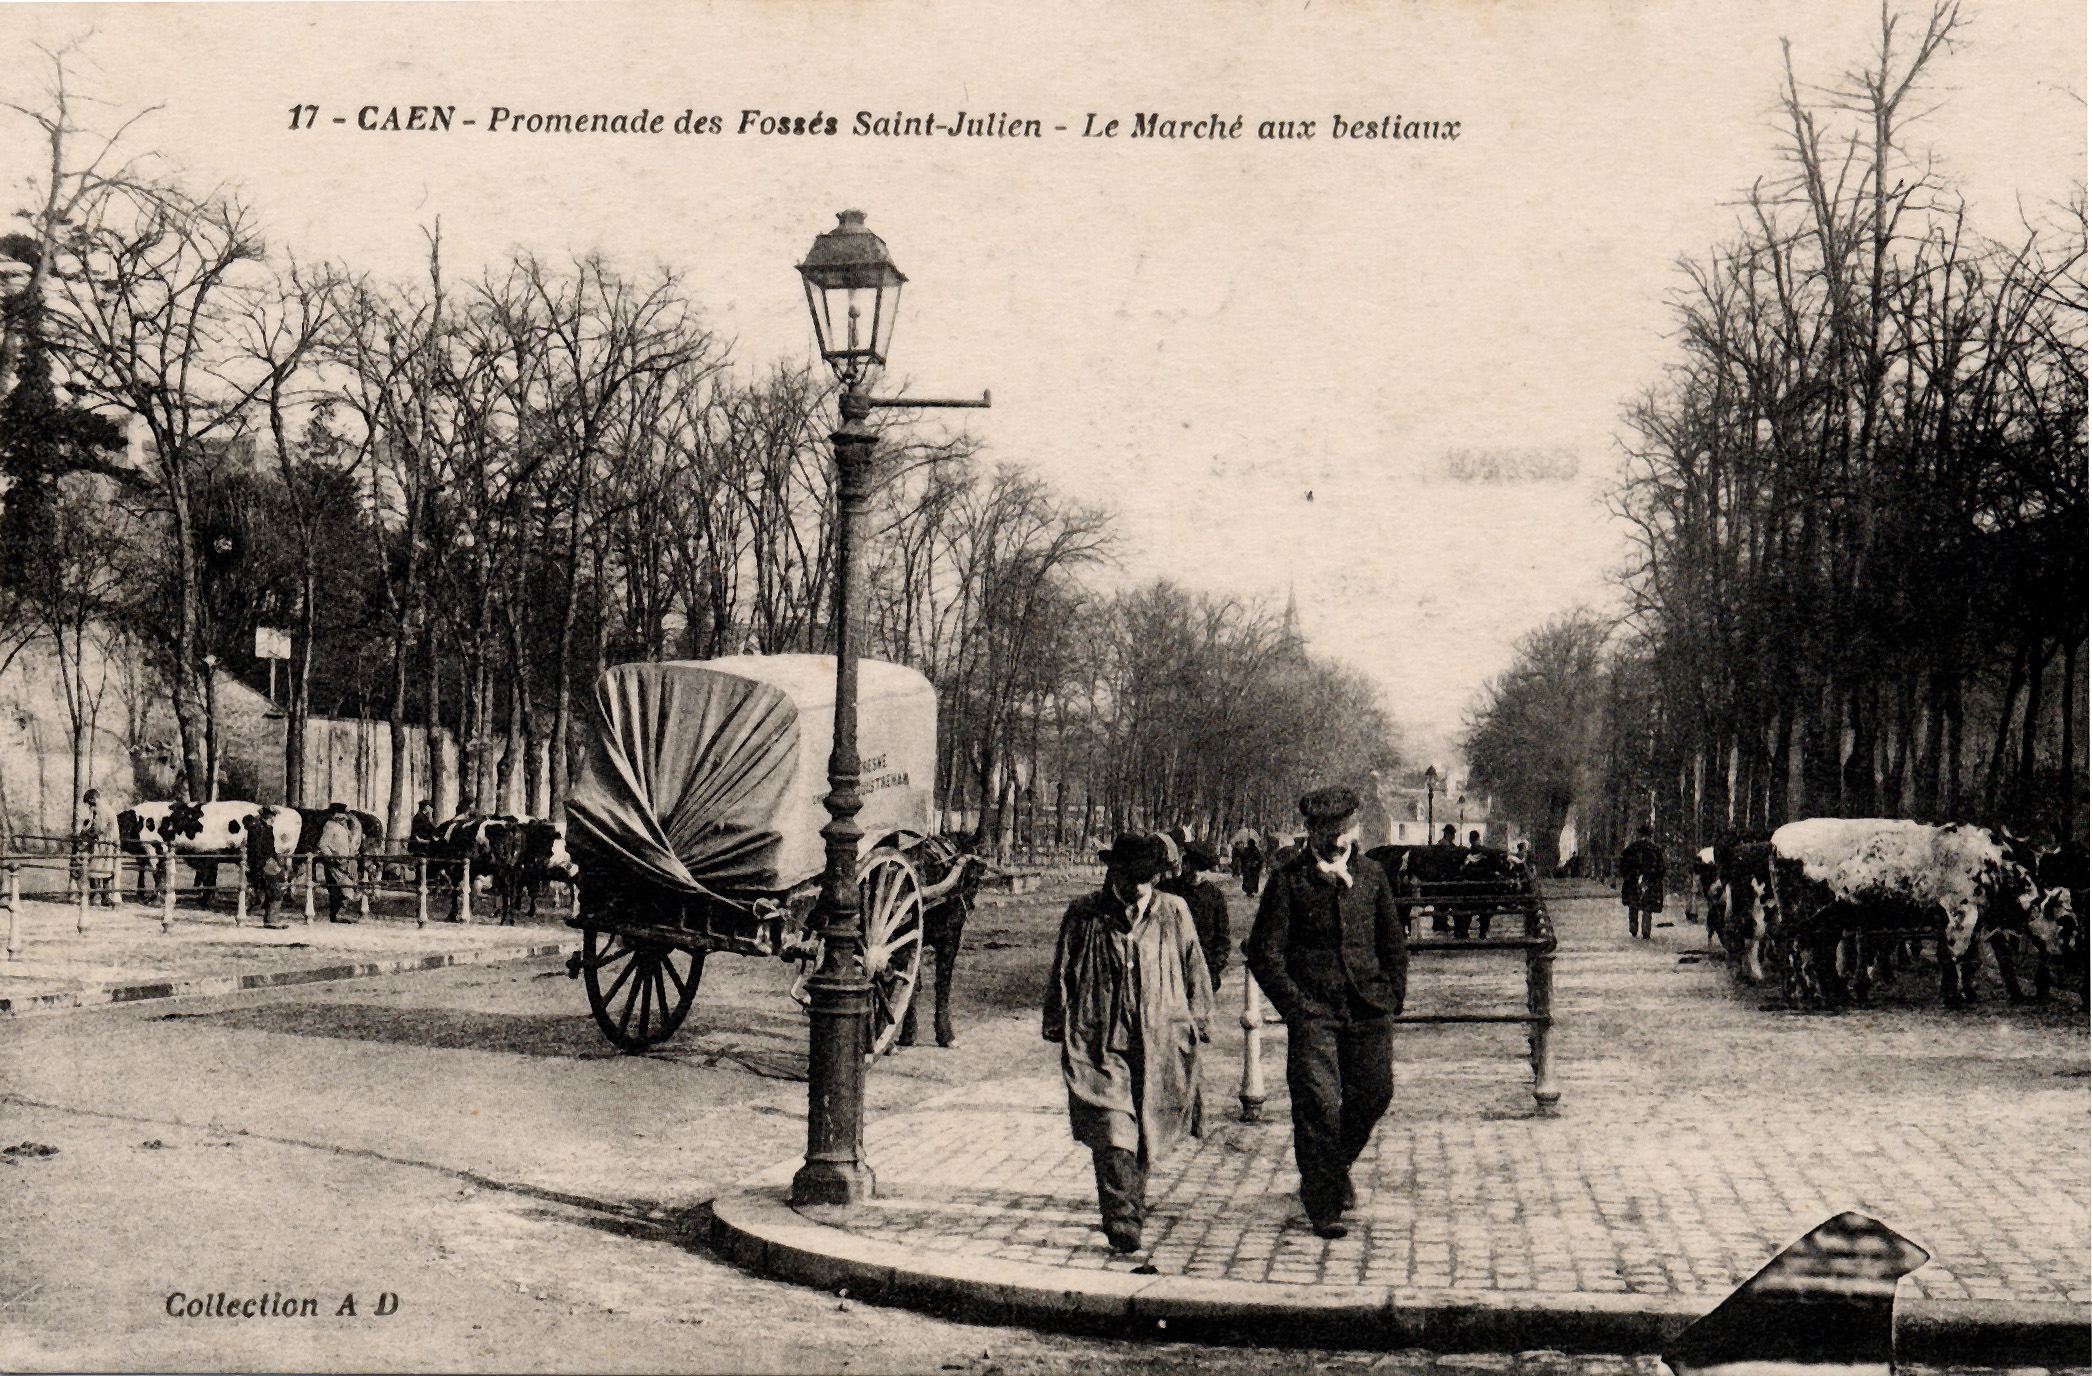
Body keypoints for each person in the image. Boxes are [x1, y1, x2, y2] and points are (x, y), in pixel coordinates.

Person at [1246, 785, 1407, 1239]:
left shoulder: (1372, 875)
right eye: (1325, 834)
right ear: (1310, 832)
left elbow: (1393, 942)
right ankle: (1322, 1203)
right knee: (1316, 1104)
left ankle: (1332, 1170)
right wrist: (1297, 1008)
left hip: (1369, 1008)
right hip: (1314, 1012)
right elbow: (1264, 953)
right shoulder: (1288, 880)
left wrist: (1393, 995)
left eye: (1343, 833)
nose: (1336, 843)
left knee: (1376, 1093)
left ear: (1355, 829)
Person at [1043, 833, 1213, 1256]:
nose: (1138, 885)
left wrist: (1200, 1019)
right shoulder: (1084, 913)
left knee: (1148, 1121)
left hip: (1160, 1036)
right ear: (1113, 873)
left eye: (1146, 877)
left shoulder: (1174, 911)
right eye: (1130, 876)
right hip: (1099, 1035)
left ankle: (1130, 1201)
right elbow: (1063, 968)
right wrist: (1055, 1019)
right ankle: (1122, 1217)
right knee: (1111, 1124)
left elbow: (1194, 965)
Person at [1161, 838, 1231, 993]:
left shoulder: (1214, 896)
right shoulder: (1167, 891)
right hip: (1169, 970)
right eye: (1192, 867)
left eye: (1201, 869)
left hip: (1204, 971)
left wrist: (1212, 968)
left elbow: (1222, 938)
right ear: (1184, 864)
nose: (1195, 873)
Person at [316, 802, 363, 923]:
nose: (344, 819)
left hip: (346, 862)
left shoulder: (343, 828)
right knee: (339, 888)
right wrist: (332, 857)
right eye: (342, 817)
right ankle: (336, 915)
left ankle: (342, 913)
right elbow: (322, 845)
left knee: (347, 887)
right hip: (335, 864)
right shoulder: (330, 827)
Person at [74, 789, 120, 908]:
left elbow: (97, 829)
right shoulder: (106, 809)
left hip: (103, 844)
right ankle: (104, 897)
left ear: (95, 799)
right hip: (107, 844)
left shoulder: (102, 810)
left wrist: (85, 833)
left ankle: (97, 896)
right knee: (105, 870)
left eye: (91, 803)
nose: (90, 806)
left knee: (95, 869)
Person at [1620, 823, 1665, 940]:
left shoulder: (1631, 849)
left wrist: (1630, 876)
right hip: (1650, 881)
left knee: (1633, 905)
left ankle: (1633, 928)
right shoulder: (1655, 850)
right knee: (1647, 906)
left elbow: (1623, 865)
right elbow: (1661, 868)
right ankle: (1646, 930)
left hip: (1633, 880)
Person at [1230, 826, 1265, 898]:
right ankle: (1250, 891)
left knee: (1249, 881)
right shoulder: (1255, 850)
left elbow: (1243, 857)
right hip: (1252, 870)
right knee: (1251, 881)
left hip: (1250, 870)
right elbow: (1260, 859)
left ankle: (1249, 891)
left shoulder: (1248, 850)